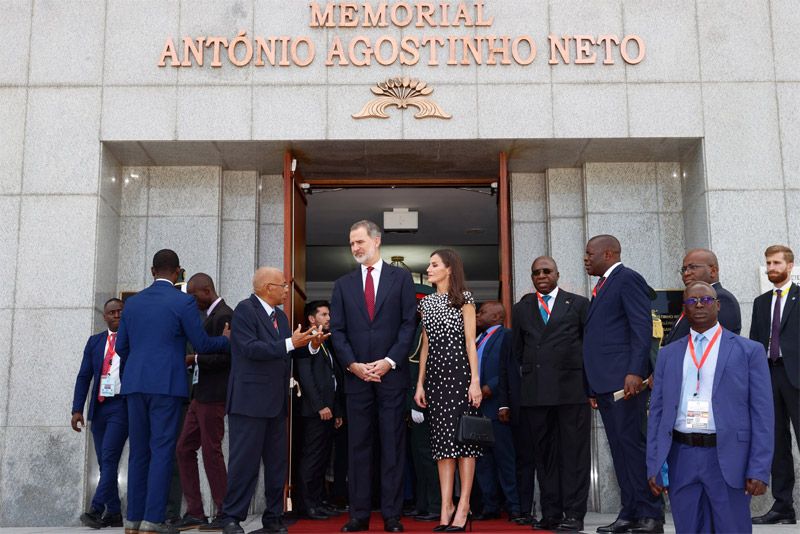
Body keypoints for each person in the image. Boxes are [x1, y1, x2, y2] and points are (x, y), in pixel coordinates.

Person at [115, 249, 230, 534]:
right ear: (178, 272)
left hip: (134, 384)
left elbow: (120, 348)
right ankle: (152, 520)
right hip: (166, 385)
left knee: (138, 451)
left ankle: (132, 520)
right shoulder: (183, 302)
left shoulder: (133, 303)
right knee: (163, 450)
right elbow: (202, 343)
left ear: (152, 271)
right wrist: (226, 341)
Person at [647, 281, 773, 533]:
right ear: (685, 309)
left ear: (717, 305)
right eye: (692, 302)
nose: (699, 306)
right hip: (681, 457)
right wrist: (654, 463)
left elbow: (763, 414)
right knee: (688, 527)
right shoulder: (668, 354)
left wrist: (759, 468)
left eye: (705, 300)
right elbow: (657, 413)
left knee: (731, 528)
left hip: (728, 457)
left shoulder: (749, 351)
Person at [220, 267, 327, 534]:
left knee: (277, 464)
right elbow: (250, 348)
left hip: (277, 404)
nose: (287, 290)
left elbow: (286, 354)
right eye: (283, 285)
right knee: (244, 463)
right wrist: (292, 342)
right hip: (249, 403)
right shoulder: (245, 310)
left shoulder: (280, 315)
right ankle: (232, 517)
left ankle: (274, 516)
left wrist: (311, 345)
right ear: (268, 287)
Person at [330, 220, 417, 533]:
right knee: (358, 448)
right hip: (357, 379)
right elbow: (337, 331)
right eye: (352, 243)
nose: (355, 248)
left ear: (376, 241)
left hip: (391, 377)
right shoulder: (342, 285)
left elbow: (409, 324)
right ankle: (359, 515)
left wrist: (390, 361)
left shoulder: (402, 278)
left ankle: (392, 516)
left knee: (392, 447)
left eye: (360, 242)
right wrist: (353, 364)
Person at [582, 235, 663, 534]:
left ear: (609, 252)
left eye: (590, 253)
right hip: (604, 384)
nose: (586, 258)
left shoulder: (627, 279)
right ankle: (629, 512)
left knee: (632, 448)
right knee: (619, 449)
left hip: (623, 382)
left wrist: (635, 371)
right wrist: (591, 386)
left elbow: (640, 328)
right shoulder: (603, 285)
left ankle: (651, 515)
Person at [511, 256, 590, 532]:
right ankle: (552, 513)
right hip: (536, 395)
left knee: (573, 455)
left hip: (571, 392)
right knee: (544, 458)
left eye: (546, 271)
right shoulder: (522, 308)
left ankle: (574, 514)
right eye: (536, 273)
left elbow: (587, 346)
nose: (541, 276)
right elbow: (517, 351)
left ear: (557, 273)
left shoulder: (578, 304)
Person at [414, 248, 483, 533]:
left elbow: (470, 342)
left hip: (460, 376)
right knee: (442, 446)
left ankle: (464, 504)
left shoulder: (464, 299)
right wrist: (420, 383)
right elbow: (425, 347)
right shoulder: (426, 304)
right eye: (429, 265)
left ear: (449, 269)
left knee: (465, 442)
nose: (428, 269)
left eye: (434, 265)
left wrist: (475, 380)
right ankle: (446, 506)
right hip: (435, 380)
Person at [173, 273, 233, 531]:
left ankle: (224, 511)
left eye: (193, 295)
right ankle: (196, 511)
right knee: (183, 449)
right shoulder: (206, 315)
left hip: (214, 395)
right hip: (199, 396)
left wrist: (194, 359)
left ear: (206, 290)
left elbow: (227, 358)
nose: (190, 300)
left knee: (211, 451)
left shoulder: (225, 315)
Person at [750, 245, 799, 525]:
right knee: (777, 443)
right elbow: (755, 343)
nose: (771, 268)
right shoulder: (760, 302)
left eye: (777, 263)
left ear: (789, 266)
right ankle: (783, 507)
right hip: (769, 378)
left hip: (797, 378)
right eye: (768, 263)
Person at [71, 298, 127, 529]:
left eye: (120, 312)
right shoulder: (94, 342)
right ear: (104, 316)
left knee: (110, 457)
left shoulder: (132, 340)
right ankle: (114, 512)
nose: (116, 315)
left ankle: (96, 508)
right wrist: (77, 409)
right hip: (99, 408)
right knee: (105, 462)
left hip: (121, 406)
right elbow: (84, 376)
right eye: (111, 312)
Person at [295, 300, 344, 520]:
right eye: (324, 314)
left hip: (328, 411)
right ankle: (307, 505)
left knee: (323, 458)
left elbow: (333, 378)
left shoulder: (325, 342)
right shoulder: (306, 341)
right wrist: (320, 407)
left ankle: (319, 501)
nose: (328, 318)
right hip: (314, 412)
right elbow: (306, 378)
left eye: (329, 314)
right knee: (312, 458)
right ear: (312, 319)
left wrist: (336, 411)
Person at [473, 301, 521, 523]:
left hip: (496, 407)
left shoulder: (507, 336)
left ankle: (514, 507)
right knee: (483, 462)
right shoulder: (477, 338)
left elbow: (511, 368)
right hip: (477, 409)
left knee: (505, 460)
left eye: (482, 312)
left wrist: (491, 387)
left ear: (496, 316)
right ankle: (490, 506)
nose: (477, 314)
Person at [407, 283, 442, 523]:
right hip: (417, 401)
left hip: (426, 402)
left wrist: (418, 404)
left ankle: (435, 504)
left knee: (428, 456)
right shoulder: (420, 327)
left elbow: (425, 369)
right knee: (419, 457)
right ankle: (423, 503)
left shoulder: (430, 329)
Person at [662, 248, 741, 345]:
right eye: (684, 269)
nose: (686, 273)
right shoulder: (690, 300)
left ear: (713, 271)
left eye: (693, 267)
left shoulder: (722, 298)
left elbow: (718, 343)